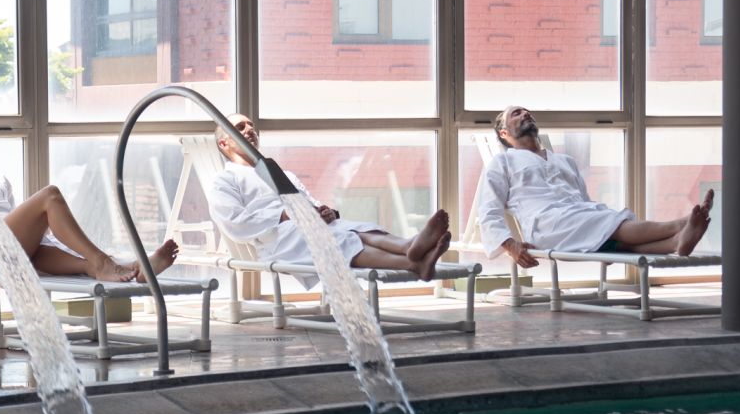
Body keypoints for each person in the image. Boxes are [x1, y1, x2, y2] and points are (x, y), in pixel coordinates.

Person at [0, 105, 178, 281]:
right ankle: (105, 262)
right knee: (50, 196)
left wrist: (36, 230)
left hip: (19, 247)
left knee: (76, 259)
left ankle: (132, 267)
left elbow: (19, 220)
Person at [209, 113, 452, 283]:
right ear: (224, 142)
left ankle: (409, 247)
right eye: (240, 128)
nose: (249, 130)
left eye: (251, 125)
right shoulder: (226, 180)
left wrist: (325, 211)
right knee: (341, 239)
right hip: (278, 240)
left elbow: (308, 201)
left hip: (309, 225)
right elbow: (233, 222)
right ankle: (412, 263)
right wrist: (283, 214)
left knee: (355, 229)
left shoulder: (281, 174)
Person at [478, 105, 713, 268]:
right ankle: (680, 224)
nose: (526, 114)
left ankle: (676, 243)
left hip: (581, 216)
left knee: (608, 231)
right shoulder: (503, 162)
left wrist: (594, 213)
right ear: (504, 133)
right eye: (516, 113)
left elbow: (584, 201)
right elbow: (488, 211)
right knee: (608, 224)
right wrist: (511, 246)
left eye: (527, 111)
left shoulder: (565, 161)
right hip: (546, 226)